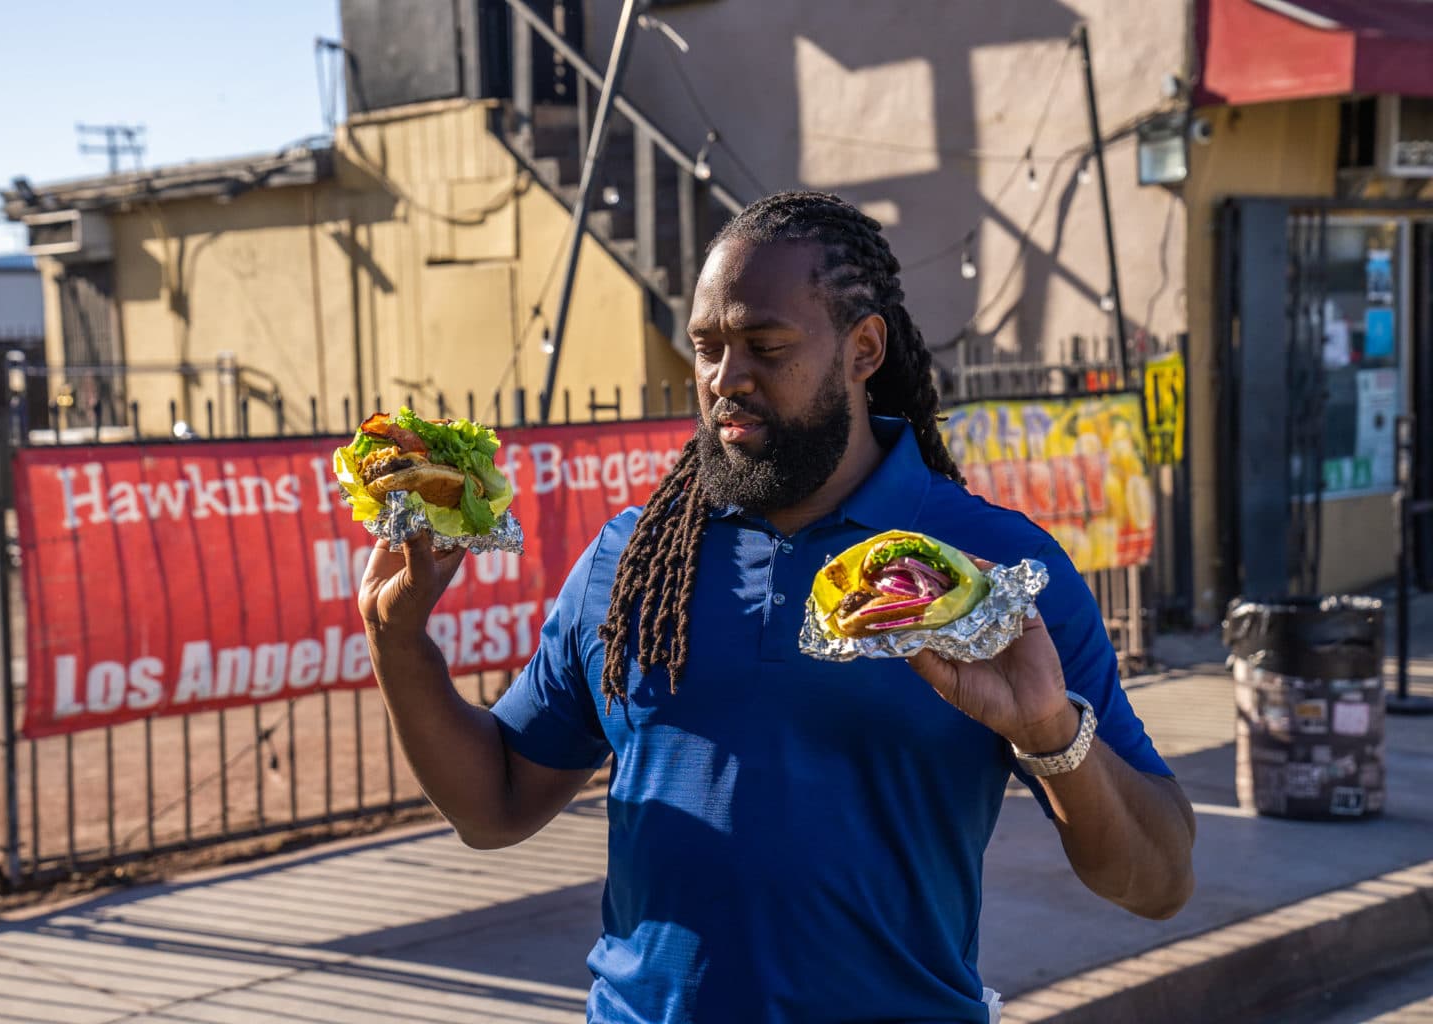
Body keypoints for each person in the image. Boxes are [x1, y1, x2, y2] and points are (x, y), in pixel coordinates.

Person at [360, 191, 1196, 1023]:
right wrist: (399, 647)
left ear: (864, 349)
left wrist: (1051, 735)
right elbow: (495, 804)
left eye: (766, 346)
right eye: (707, 349)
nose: (728, 379)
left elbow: (1158, 882)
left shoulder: (987, 566)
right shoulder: (633, 560)